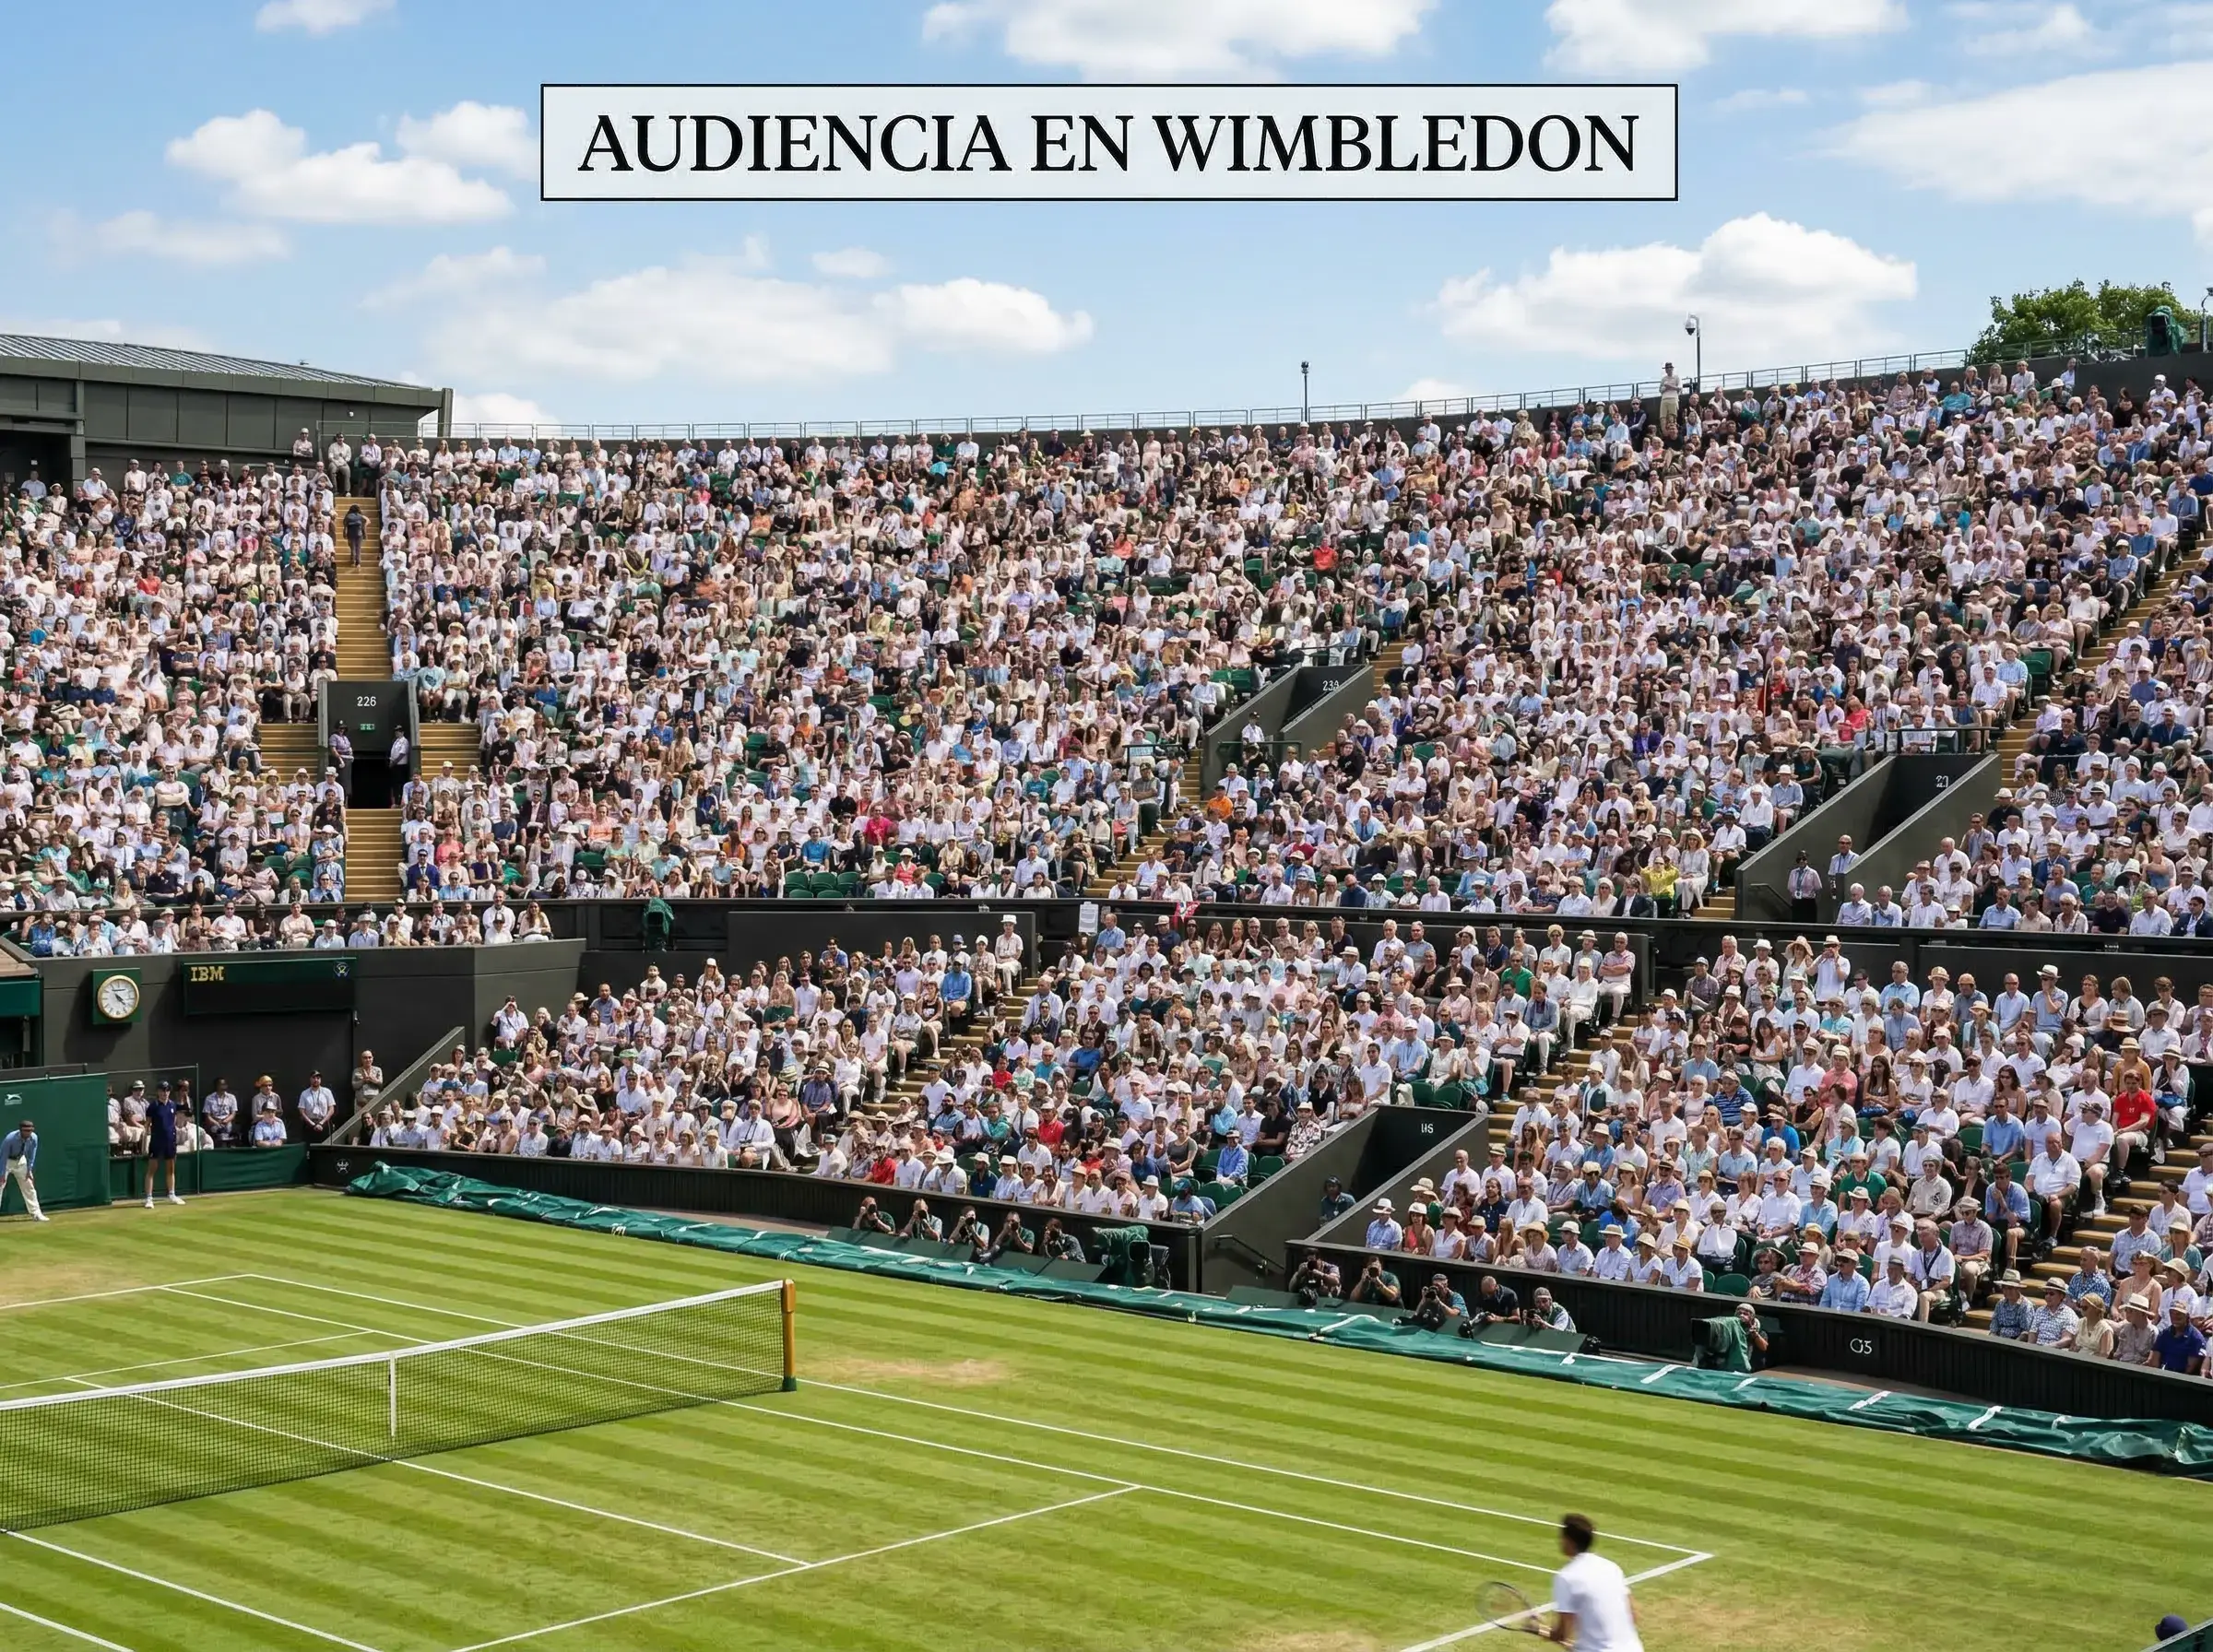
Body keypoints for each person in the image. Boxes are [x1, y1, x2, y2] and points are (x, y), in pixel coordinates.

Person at [1544, 1512, 1641, 1649]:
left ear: (1569, 1541)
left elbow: (1563, 1634)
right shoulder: (1612, 1567)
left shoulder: (1566, 1577)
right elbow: (1633, 1615)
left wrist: (1544, 1631)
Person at [145, 1080, 185, 1206]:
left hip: (170, 1141)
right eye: (162, 1090)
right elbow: (147, 1124)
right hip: (156, 1141)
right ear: (158, 1092)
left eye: (167, 1090)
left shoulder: (173, 1105)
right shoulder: (153, 1106)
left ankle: (172, 1194)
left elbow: (172, 1122)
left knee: (171, 1169)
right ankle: (149, 1198)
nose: (165, 1093)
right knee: (152, 1169)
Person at [2, 1115, 47, 1221]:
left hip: (21, 1161)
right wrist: (2, 1174)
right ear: (21, 1130)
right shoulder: (10, 1139)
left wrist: (29, 1170)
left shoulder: (34, 1138)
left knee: (29, 1186)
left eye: (31, 1130)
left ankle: (36, 1214)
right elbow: (3, 1157)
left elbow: (32, 1155)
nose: (29, 1133)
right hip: (6, 1161)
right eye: (26, 1131)